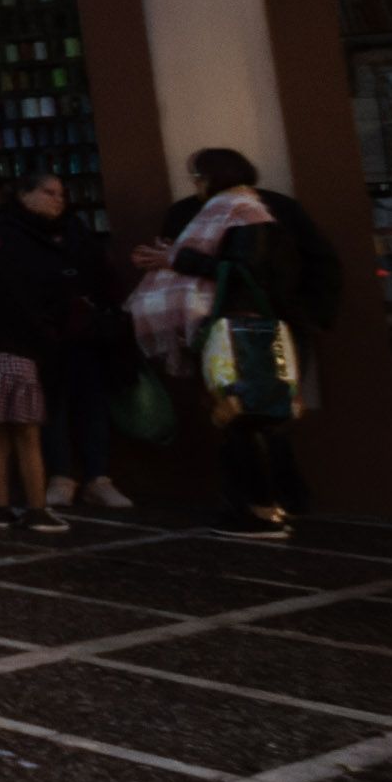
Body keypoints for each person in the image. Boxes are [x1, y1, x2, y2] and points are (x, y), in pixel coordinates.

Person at [136, 149, 335, 538]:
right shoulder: (217, 210)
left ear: (215, 175)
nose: (194, 183)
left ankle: (260, 510)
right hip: (232, 328)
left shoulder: (244, 211)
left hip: (247, 330)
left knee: (247, 416)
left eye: (197, 175)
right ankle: (269, 504)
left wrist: (179, 260)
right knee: (247, 416)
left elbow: (242, 271)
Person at [0, 174, 119, 533]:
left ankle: (16, 503)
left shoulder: (52, 234)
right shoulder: (10, 240)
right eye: (48, 192)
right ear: (24, 195)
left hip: (32, 342)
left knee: (10, 431)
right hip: (28, 344)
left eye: (62, 193)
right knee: (30, 428)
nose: (57, 200)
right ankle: (41, 501)